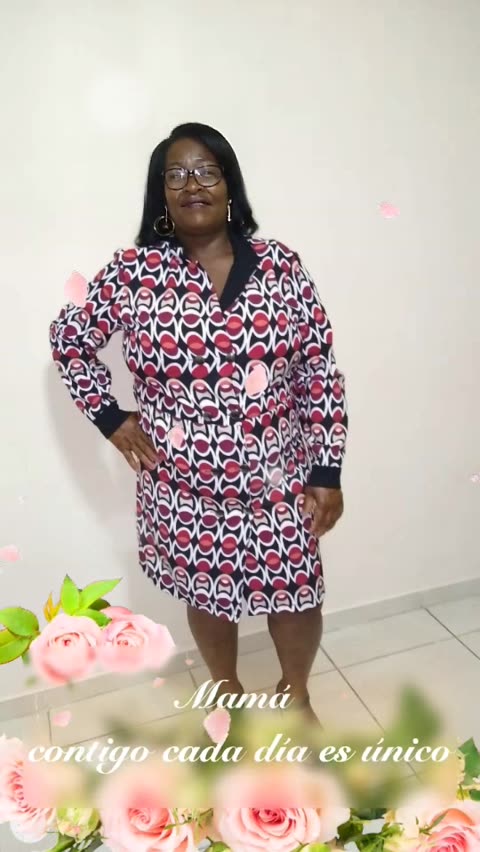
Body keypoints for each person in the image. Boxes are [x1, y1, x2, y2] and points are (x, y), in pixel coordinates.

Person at [49, 122, 348, 723]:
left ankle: (297, 696)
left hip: (279, 476)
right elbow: (69, 339)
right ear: (161, 193)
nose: (192, 184)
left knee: (297, 591)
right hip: (184, 484)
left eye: (207, 171)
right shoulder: (134, 273)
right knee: (209, 596)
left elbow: (318, 368)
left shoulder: (279, 267)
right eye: (176, 175)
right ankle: (227, 698)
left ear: (229, 185)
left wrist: (326, 469)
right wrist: (111, 418)